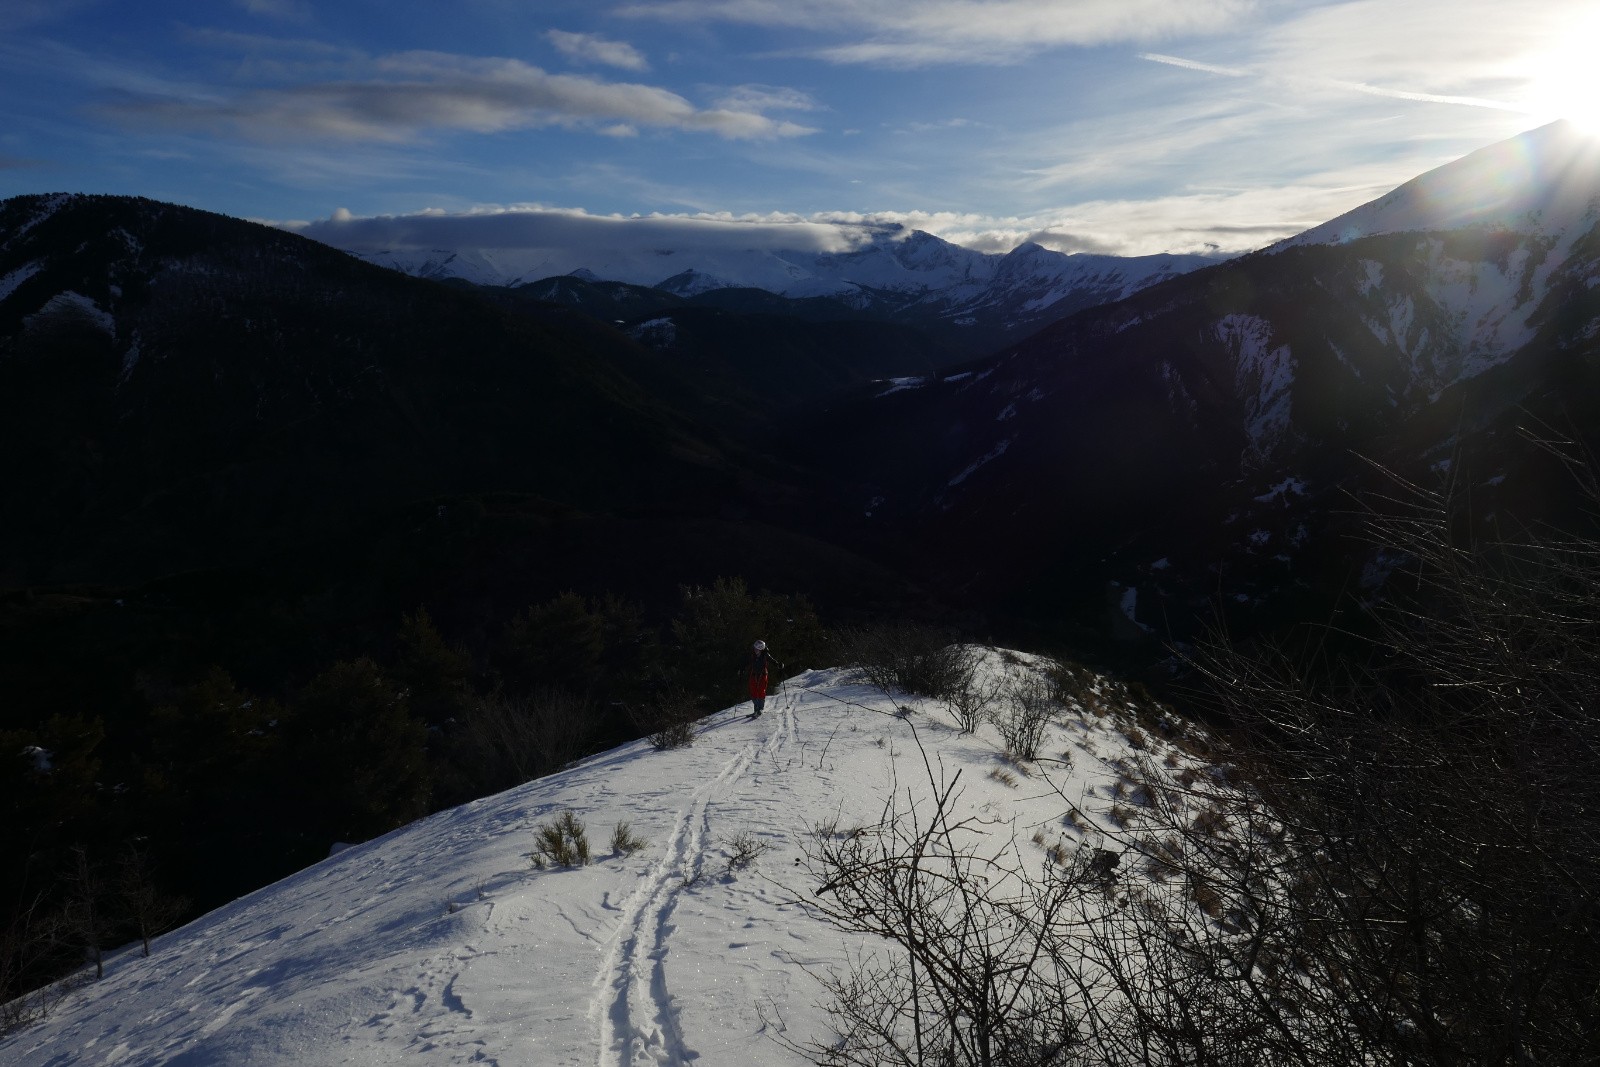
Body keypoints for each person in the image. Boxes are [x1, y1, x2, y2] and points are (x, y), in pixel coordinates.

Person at [747, 639, 783, 718]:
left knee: (760, 690)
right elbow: (746, 661)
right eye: (755, 648)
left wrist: (778, 664)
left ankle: (760, 708)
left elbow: (773, 661)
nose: (755, 650)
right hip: (753, 674)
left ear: (761, 649)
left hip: (762, 675)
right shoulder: (752, 654)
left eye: (757, 649)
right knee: (753, 690)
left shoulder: (765, 655)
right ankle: (756, 709)